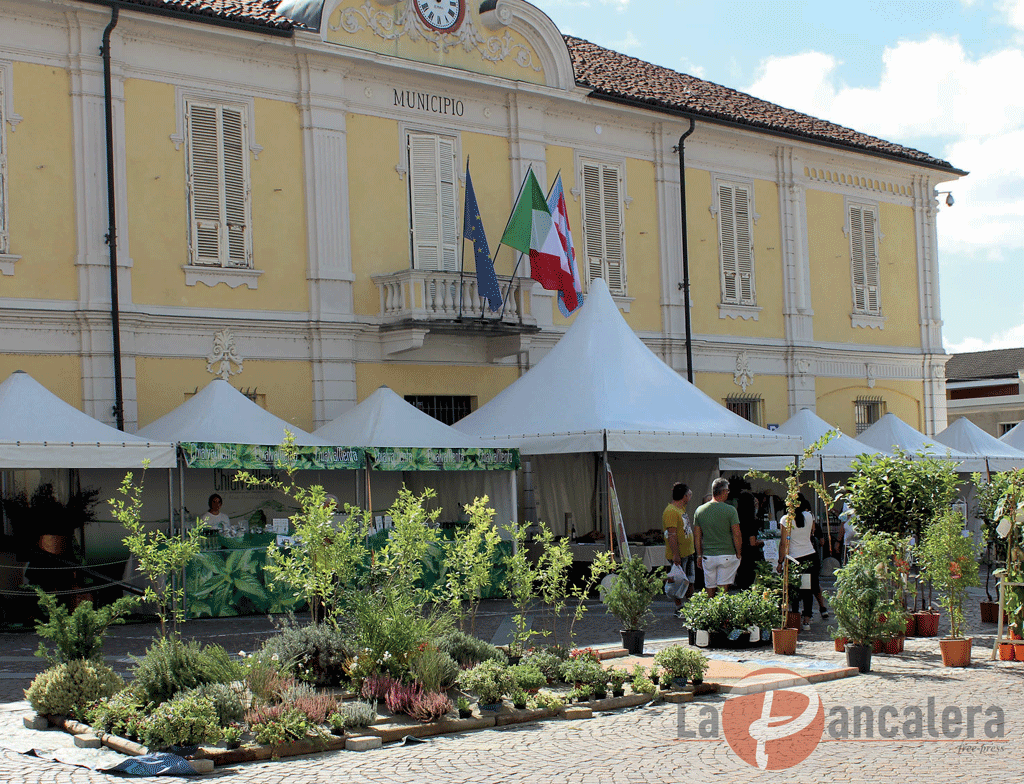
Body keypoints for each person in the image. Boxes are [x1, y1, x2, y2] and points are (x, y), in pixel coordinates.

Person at [779, 494, 829, 629]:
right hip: (810, 555)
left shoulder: (785, 519)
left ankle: (794, 617)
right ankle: (807, 619)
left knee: (794, 589)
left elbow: (783, 543)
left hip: (794, 558)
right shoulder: (809, 516)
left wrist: (780, 561)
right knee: (807, 588)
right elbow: (812, 532)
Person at [693, 477, 742, 598]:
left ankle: (711, 612)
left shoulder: (700, 510)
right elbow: (737, 534)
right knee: (723, 589)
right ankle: (721, 614)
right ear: (724, 491)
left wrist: (699, 555)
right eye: (728, 491)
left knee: (710, 586)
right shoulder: (730, 510)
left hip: (708, 555)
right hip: (726, 553)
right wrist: (739, 552)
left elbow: (697, 536)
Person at [662, 482, 694, 609]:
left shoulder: (681, 509)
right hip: (679, 554)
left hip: (688, 551)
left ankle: (691, 607)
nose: (690, 496)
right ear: (685, 496)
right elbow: (672, 534)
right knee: (679, 583)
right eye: (689, 494)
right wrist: (675, 555)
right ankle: (679, 607)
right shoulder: (671, 511)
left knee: (690, 581)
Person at [733, 490, 764, 590]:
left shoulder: (735, 518)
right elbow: (753, 542)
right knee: (749, 583)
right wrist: (762, 543)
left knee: (741, 582)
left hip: (738, 552)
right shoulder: (751, 520)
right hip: (750, 555)